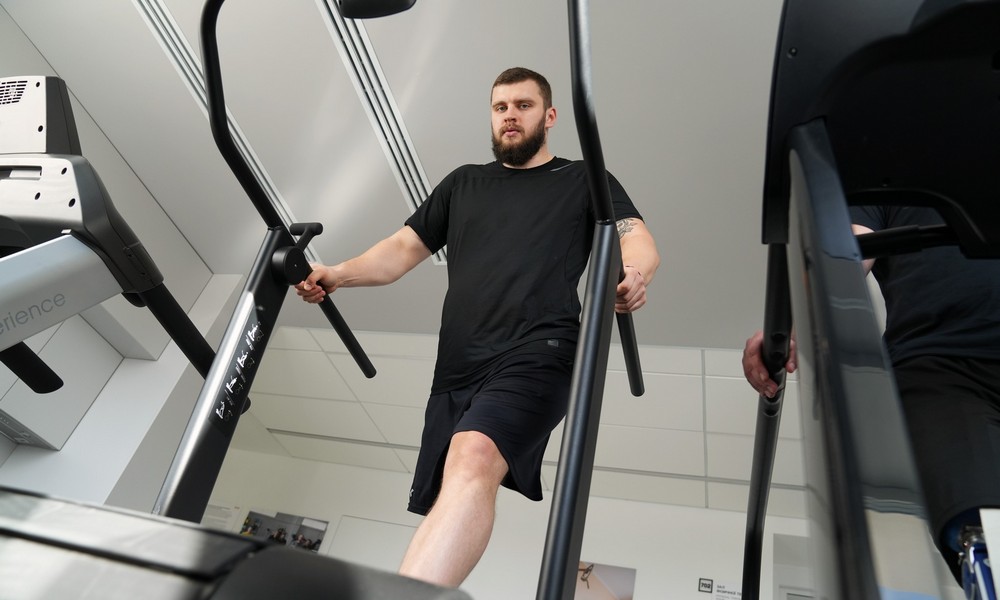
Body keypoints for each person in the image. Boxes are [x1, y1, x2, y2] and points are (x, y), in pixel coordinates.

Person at [296, 67, 659, 587]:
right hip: (458, 367)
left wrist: (634, 273)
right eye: (500, 107)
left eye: (523, 105)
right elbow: (400, 250)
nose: (510, 115)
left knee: (474, 455)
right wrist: (336, 273)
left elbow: (634, 236)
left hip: (540, 349)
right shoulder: (463, 183)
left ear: (549, 116)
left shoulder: (584, 179)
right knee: (454, 483)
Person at [742, 204, 1000, 582]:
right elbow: (843, 256)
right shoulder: (891, 181)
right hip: (942, 369)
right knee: (980, 528)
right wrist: (794, 325)